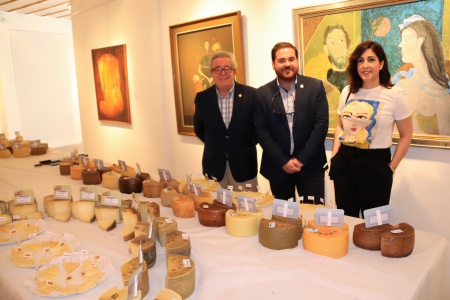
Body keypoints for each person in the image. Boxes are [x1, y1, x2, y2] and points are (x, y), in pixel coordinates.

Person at [330, 41, 413, 218]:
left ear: (381, 63)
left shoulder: (395, 95)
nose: (365, 65)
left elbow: (406, 135)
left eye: (371, 59)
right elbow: (339, 126)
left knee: (374, 224)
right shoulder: (347, 92)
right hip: (345, 161)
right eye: (360, 60)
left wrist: (391, 168)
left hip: (376, 164)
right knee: (347, 219)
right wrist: (335, 155)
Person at [254, 42, 329, 203]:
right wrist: (283, 161)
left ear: (297, 61)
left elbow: (320, 127)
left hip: (310, 166)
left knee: (313, 217)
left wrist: (301, 160)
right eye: (281, 60)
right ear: (273, 64)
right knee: (285, 220)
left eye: (291, 59)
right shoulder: (262, 93)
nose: (287, 64)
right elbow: (261, 132)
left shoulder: (315, 87)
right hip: (277, 167)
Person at [194, 50, 258, 191]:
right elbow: (199, 129)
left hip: (244, 168)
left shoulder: (252, 95)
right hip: (214, 169)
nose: (223, 73)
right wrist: (219, 143)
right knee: (216, 210)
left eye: (227, 68)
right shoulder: (202, 98)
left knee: (247, 211)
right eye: (218, 69)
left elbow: (259, 130)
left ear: (234, 71)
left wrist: (240, 144)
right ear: (211, 73)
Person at [393, 15, 450, 135]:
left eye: (407, 39)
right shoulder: (401, 82)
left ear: (421, 41)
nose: (400, 45)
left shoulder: (444, 85)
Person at [322, 24, 351, 129]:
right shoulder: (321, 87)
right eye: (333, 42)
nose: (339, 47)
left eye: (342, 41)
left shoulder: (360, 83)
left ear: (347, 44)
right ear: (326, 49)